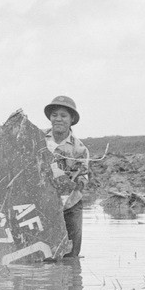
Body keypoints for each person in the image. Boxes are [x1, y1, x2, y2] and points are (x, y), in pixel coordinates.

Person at [43, 96, 89, 258]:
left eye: (63, 116)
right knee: (43, 252)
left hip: (70, 205)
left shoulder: (79, 149)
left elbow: (82, 180)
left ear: (72, 119)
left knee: (72, 254)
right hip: (42, 204)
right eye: (54, 115)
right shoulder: (39, 140)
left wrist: (68, 180)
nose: (58, 119)